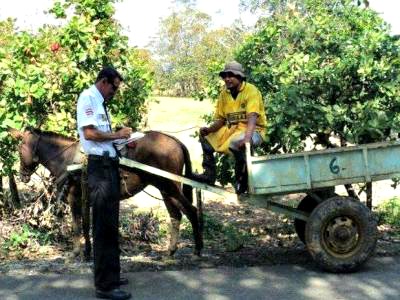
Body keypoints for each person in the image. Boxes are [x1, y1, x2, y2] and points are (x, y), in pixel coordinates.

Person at [77, 67, 132, 300]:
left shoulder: (100, 102)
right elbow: (89, 133)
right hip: (99, 169)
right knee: (102, 226)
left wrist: (123, 142)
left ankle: (111, 275)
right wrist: (118, 135)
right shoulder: (88, 97)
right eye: (114, 87)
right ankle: (104, 286)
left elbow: (103, 137)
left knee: (111, 225)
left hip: (109, 165)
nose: (115, 92)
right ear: (103, 82)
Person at [192, 61, 266, 194]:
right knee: (206, 139)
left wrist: (247, 138)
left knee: (236, 144)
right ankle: (209, 176)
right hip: (233, 130)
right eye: (225, 76)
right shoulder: (224, 94)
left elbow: (253, 117)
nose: (227, 79)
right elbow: (221, 119)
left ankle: (241, 181)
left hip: (254, 131)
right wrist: (209, 130)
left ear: (240, 77)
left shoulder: (251, 91)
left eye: (231, 75)